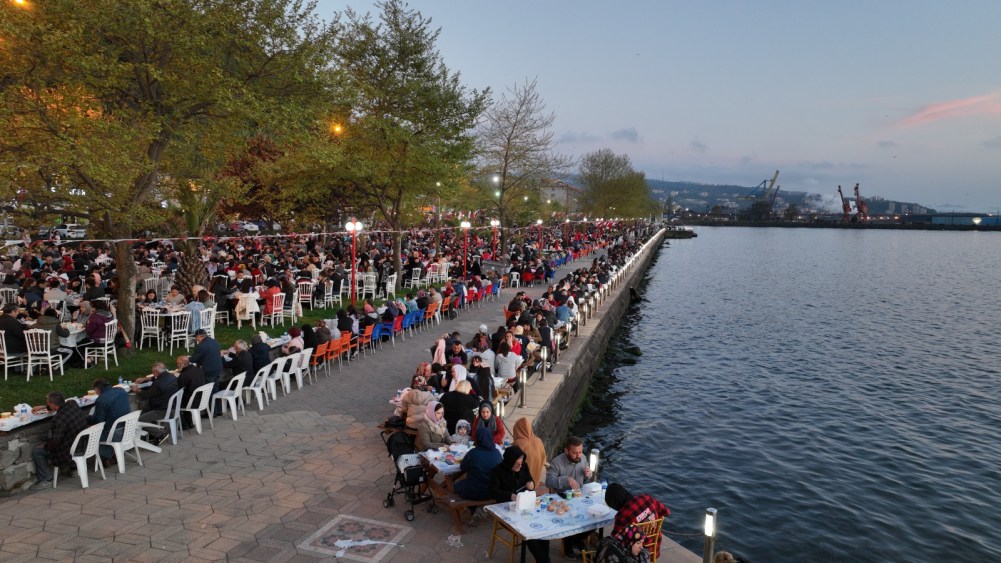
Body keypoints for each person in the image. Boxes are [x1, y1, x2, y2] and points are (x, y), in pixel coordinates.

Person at [488, 445, 549, 562]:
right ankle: (544, 560)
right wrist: (510, 496)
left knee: (542, 526)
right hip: (506, 509)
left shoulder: (523, 466)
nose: (520, 466)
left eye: (521, 463)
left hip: (525, 505)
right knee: (528, 531)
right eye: (517, 464)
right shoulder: (497, 471)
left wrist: (531, 484)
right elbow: (492, 492)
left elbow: (530, 480)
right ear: (510, 462)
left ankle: (544, 559)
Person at [545, 435, 596, 558]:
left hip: (579, 497)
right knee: (570, 520)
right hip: (562, 500)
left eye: (580, 452)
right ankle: (568, 546)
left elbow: (587, 479)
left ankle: (577, 540)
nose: (578, 456)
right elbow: (548, 481)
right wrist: (566, 479)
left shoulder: (583, 458)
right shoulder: (557, 462)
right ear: (566, 450)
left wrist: (588, 474)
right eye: (575, 453)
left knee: (595, 517)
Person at [30, 392, 88, 489]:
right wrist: (42, 407)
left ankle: (46, 479)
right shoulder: (73, 404)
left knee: (37, 451)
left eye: (48, 403)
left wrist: (45, 446)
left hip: (68, 451)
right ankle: (74, 468)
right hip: (82, 445)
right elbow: (62, 403)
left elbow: (55, 442)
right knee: (70, 436)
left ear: (52, 404)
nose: (48, 404)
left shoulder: (58, 419)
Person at [604, 483, 670, 559]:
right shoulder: (646, 498)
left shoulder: (622, 516)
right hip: (654, 544)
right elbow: (666, 512)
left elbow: (615, 540)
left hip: (637, 553)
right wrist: (650, 520)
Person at [87, 378, 131, 466]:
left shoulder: (101, 399)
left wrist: (87, 418)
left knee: (91, 434)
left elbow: (98, 421)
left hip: (115, 432)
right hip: (129, 428)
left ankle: (106, 457)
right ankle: (113, 454)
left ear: (97, 389)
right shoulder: (121, 390)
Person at [131, 362, 178, 442]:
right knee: (145, 411)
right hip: (172, 407)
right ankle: (151, 434)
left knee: (138, 420)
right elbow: (156, 377)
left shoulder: (159, 384)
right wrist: (144, 379)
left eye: (153, 372)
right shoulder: (171, 376)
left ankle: (160, 434)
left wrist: (137, 389)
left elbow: (146, 395)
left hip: (162, 410)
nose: (153, 374)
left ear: (156, 372)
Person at [454, 427, 502, 501]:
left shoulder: (473, 452)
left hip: (475, 491)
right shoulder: (497, 453)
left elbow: (463, 467)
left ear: (477, 439)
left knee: (456, 485)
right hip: (493, 491)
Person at [511, 417, 547, 486]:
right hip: (535, 483)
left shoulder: (518, 443)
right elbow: (544, 460)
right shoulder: (539, 441)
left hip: (521, 485)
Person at [176, 355, 206, 429]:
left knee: (174, 402)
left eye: (177, 364)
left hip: (192, 402)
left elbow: (178, 388)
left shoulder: (184, 375)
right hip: (202, 398)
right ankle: (189, 422)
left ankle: (184, 424)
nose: (177, 365)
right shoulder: (198, 369)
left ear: (181, 364)